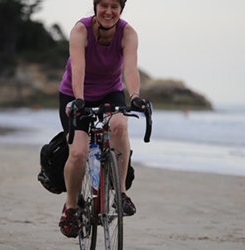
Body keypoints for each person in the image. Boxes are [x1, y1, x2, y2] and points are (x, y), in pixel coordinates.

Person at [58, 0, 146, 238]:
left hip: (110, 92)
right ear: (95, 7)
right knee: (78, 153)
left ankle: (121, 193)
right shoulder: (80, 30)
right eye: (104, 5)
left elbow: (130, 68)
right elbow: (78, 68)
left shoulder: (128, 33)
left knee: (119, 125)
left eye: (114, 6)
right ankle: (71, 207)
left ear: (121, 9)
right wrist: (78, 98)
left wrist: (135, 95)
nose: (109, 11)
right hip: (75, 94)